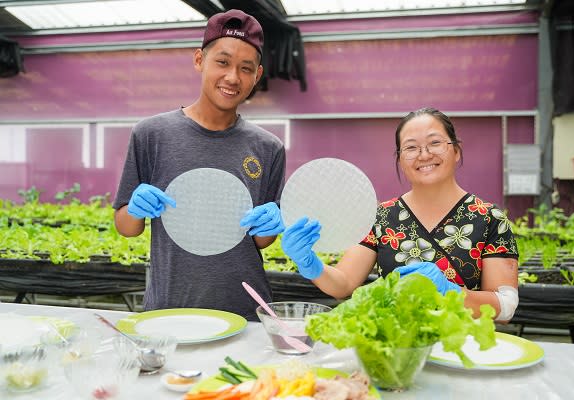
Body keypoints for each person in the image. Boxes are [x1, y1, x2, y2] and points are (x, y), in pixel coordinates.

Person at [112, 9, 286, 321]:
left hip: (243, 309)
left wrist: (272, 225)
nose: (233, 77)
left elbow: (261, 240)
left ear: (257, 76)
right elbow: (126, 227)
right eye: (222, 62)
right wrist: (135, 208)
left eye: (246, 68)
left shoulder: (268, 147)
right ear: (199, 61)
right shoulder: (151, 134)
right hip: (169, 308)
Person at [282, 108, 519, 321]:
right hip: (397, 349)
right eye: (411, 147)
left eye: (435, 143)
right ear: (400, 160)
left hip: (462, 349)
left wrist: (451, 292)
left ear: (456, 151)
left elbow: (506, 307)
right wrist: (310, 263)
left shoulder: (490, 219)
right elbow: (343, 284)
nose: (424, 155)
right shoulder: (381, 217)